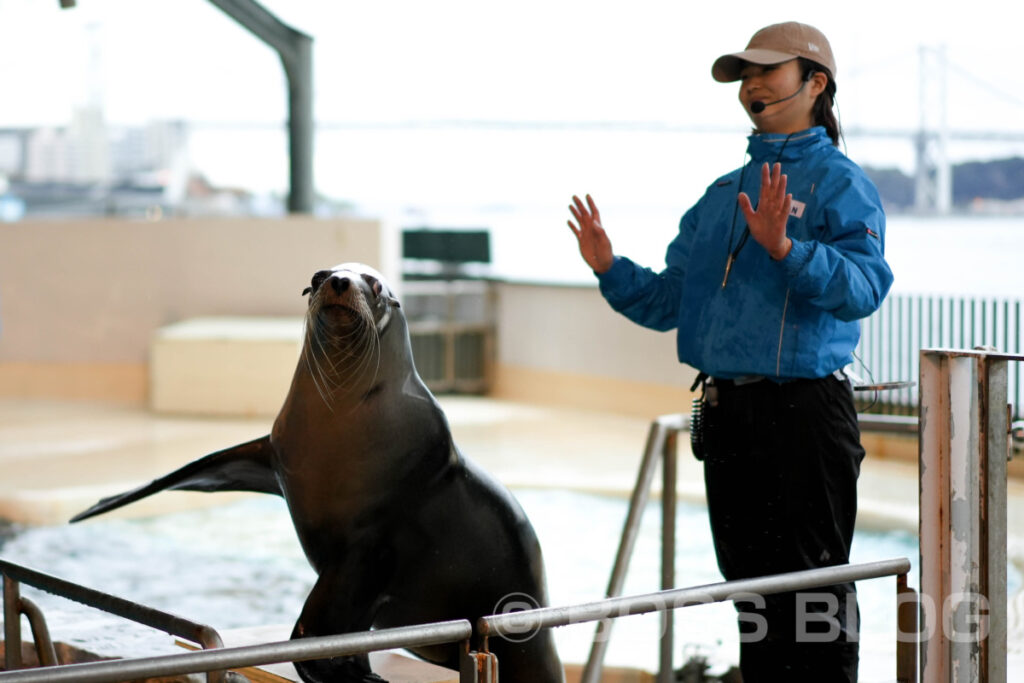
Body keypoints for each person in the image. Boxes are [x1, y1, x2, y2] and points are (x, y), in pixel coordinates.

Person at [566, 21, 893, 682]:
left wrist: (786, 248)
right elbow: (667, 301)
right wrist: (609, 267)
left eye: (769, 70)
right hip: (729, 416)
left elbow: (864, 287)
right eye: (745, 75)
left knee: (817, 593)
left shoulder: (839, 183)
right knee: (750, 589)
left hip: (804, 414)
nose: (752, 85)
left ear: (816, 82)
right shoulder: (721, 197)